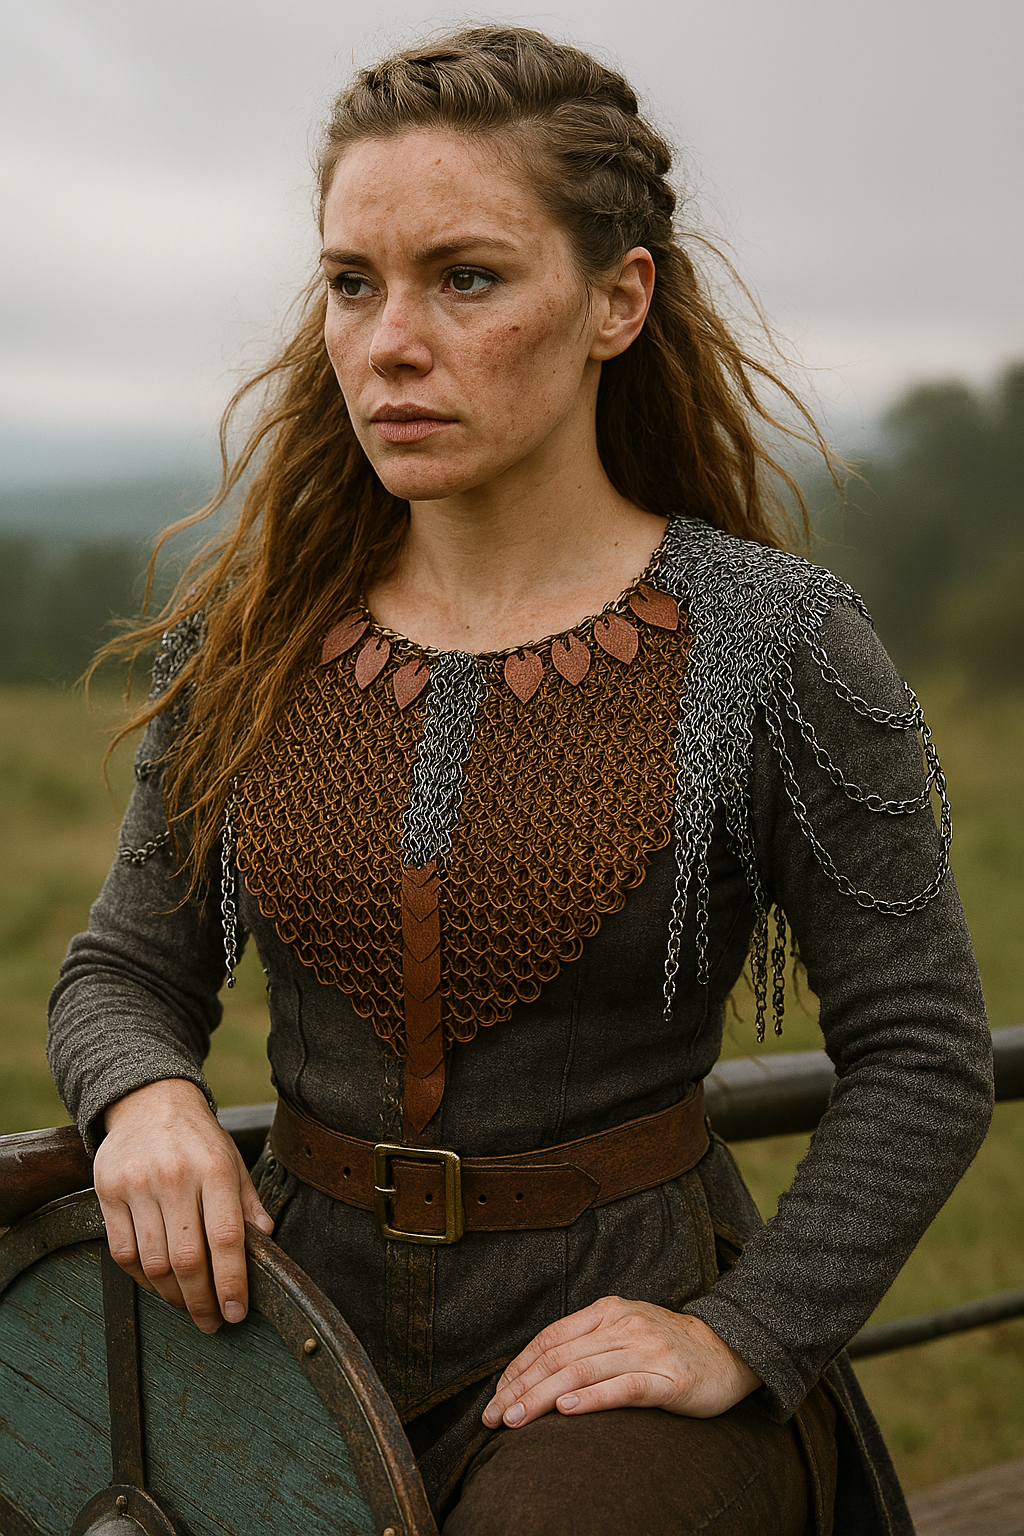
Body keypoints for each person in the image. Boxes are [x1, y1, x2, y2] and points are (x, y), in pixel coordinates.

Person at [48, 26, 992, 1536]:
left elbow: (928, 1054)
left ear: (618, 301)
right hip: (286, 1324)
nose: (386, 341)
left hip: (612, 1342)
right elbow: (120, 969)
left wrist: (739, 1337)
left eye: (466, 278)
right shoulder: (258, 639)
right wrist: (144, 1094)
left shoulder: (776, 645)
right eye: (353, 282)